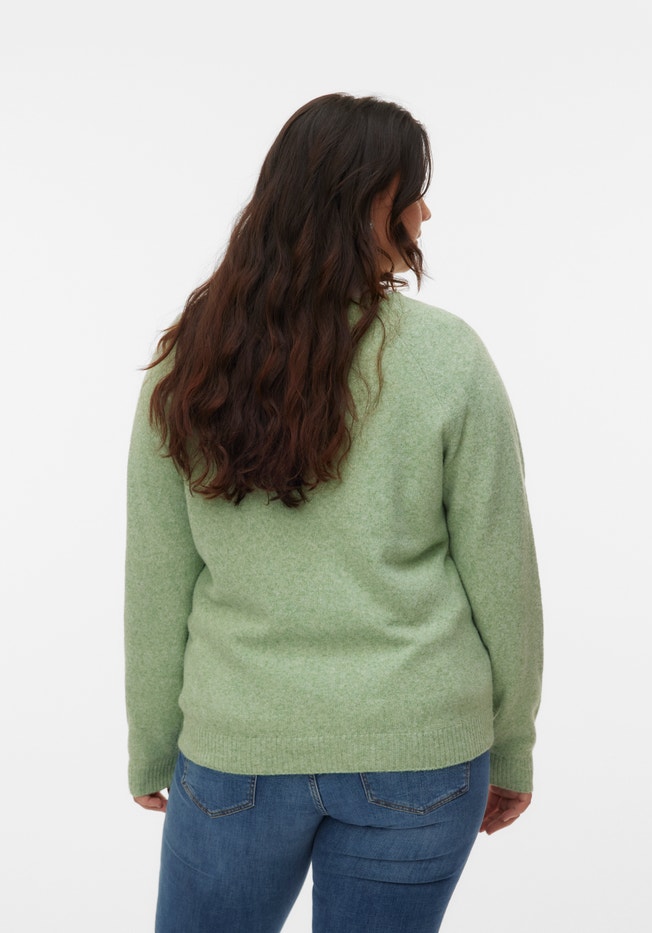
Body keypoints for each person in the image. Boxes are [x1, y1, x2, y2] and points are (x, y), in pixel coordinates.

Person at [124, 92, 543, 933]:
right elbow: (504, 575)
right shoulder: (449, 357)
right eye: (412, 194)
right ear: (367, 205)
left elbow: (158, 577)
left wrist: (151, 741)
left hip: (239, 749)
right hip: (420, 751)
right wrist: (512, 743)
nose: (425, 214)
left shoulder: (189, 361)